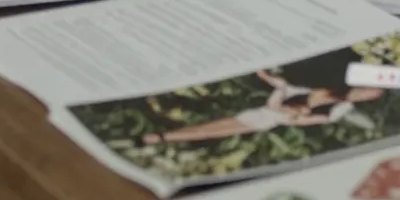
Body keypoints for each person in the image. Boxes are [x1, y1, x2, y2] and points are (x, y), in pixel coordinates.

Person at [140, 70, 385, 146]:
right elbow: (286, 87)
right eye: (366, 90)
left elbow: (303, 121)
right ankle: (163, 135)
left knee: (216, 131)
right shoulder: (329, 87)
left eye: (368, 97)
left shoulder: (340, 109)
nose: (363, 95)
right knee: (213, 126)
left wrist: (290, 115)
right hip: (262, 109)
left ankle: (163, 137)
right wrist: (267, 78)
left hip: (267, 120)